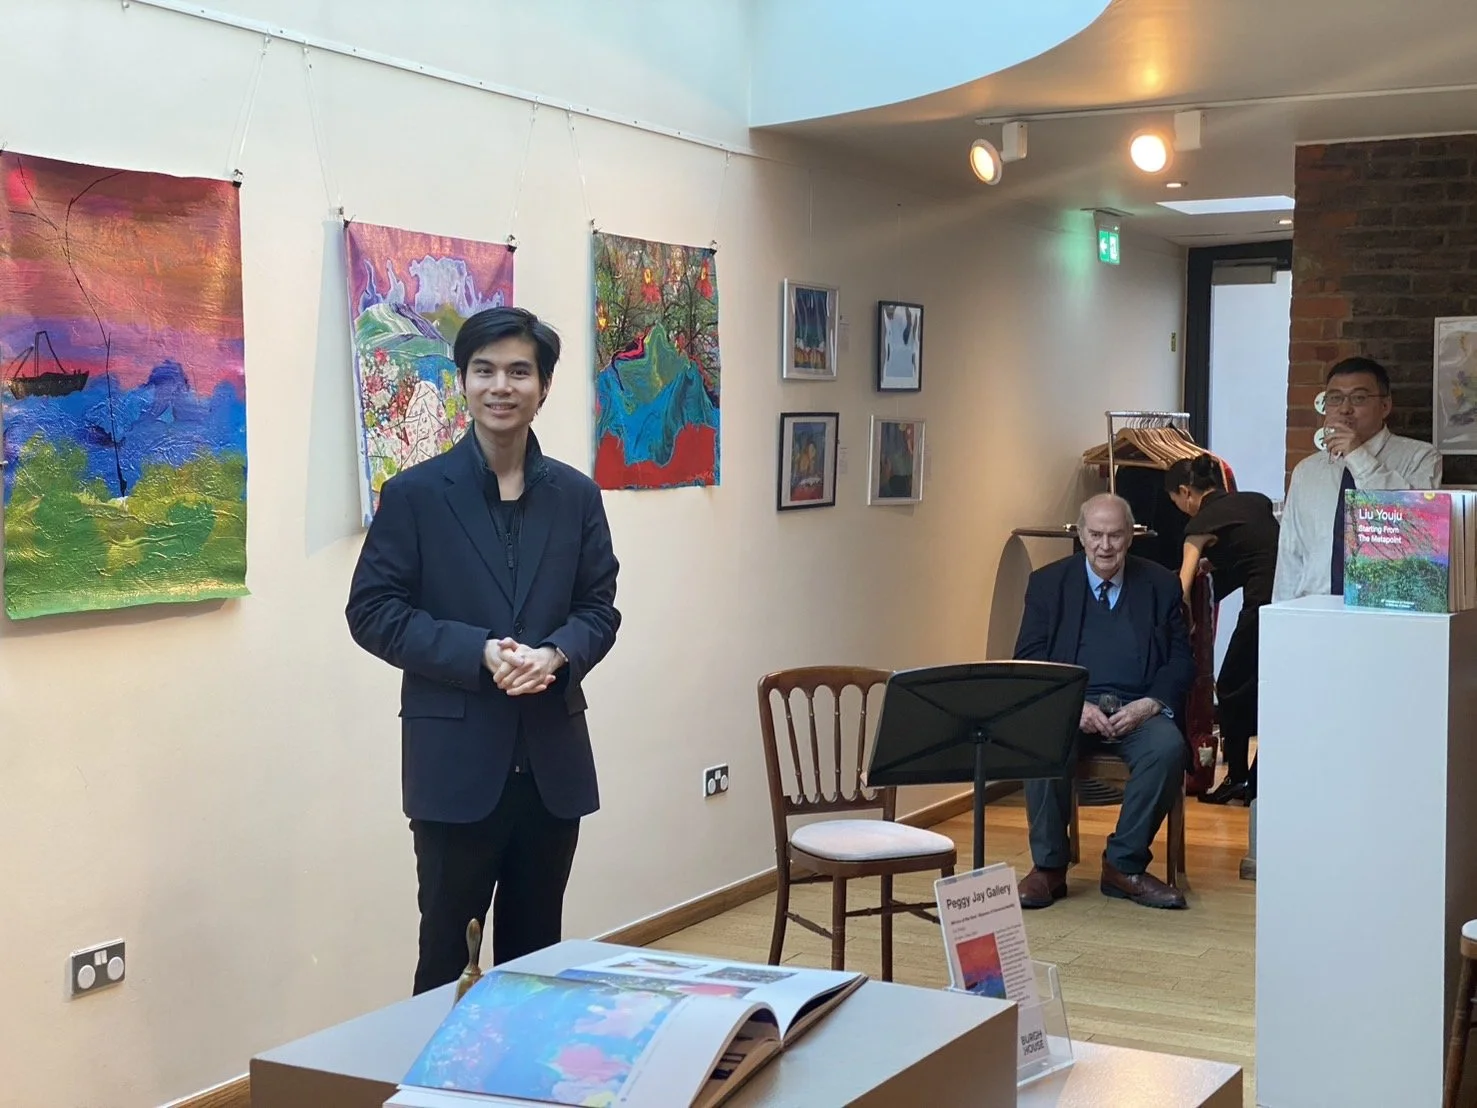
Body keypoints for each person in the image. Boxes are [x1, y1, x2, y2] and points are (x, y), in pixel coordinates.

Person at [346, 306, 621, 994]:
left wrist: (556, 653)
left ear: (545, 386)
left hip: (550, 770)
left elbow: (598, 609)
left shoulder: (577, 496)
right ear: (463, 382)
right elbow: (372, 612)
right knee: (446, 956)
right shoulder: (413, 496)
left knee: (536, 961)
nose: (502, 386)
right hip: (455, 770)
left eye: (519, 371)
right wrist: (480, 653)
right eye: (485, 371)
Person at [1014, 494, 1195, 911]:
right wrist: (1073, 706)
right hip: (1071, 706)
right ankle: (1049, 868)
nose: (1105, 546)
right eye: (1095, 535)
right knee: (1039, 739)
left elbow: (1181, 660)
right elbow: (1029, 656)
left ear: (1131, 537)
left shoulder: (1160, 585)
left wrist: (1148, 705)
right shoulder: (1048, 583)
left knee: (1167, 748)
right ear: (1080, 535)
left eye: (1115, 535)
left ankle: (1123, 865)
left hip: (1138, 707)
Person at [1274, 355, 1441, 601]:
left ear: (1385, 406)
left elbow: (1413, 530)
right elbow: (1290, 555)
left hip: (1389, 606)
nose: (1344, 408)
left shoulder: (1420, 457)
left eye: (1359, 398)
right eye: (1334, 398)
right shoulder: (1306, 471)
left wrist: (1356, 454)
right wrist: (1282, 617)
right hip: (1314, 608)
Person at [1166, 454, 1279, 806]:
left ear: (1186, 492)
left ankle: (1237, 778)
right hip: (1294, 599)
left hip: (1263, 605)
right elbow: (1254, 551)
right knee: (1268, 687)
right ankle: (1256, 778)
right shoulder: (1254, 501)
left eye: (1177, 503)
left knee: (1230, 683)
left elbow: (1182, 584)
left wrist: (1173, 620)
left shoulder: (1200, 525)